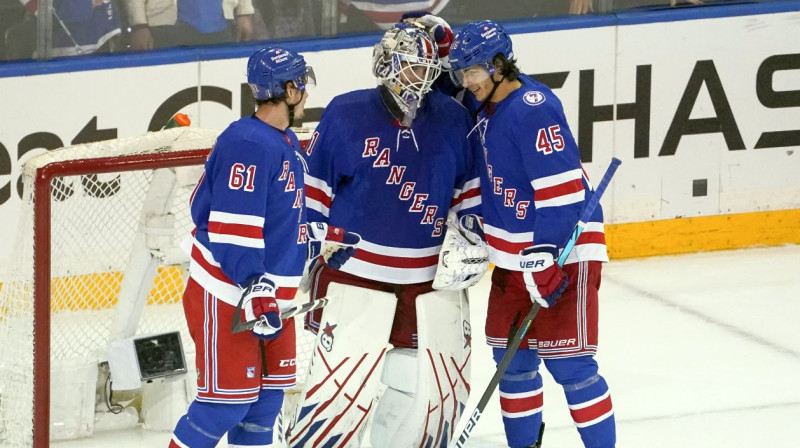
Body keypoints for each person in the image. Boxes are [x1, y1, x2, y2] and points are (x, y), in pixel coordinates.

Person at [287, 21, 481, 448]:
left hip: (425, 281)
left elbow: (469, 193)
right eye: (413, 67)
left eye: (428, 68)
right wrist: (306, 253)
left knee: (413, 384)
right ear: (387, 64)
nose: (422, 78)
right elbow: (313, 193)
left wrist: (470, 239)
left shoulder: (453, 118)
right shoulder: (345, 112)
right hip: (353, 272)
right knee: (342, 391)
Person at [169, 46, 358, 448]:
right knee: (223, 406)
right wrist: (255, 286)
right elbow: (230, 228)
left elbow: (280, 220)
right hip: (230, 295)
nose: (306, 95)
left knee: (263, 408)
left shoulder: (284, 140)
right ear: (289, 89)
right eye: (302, 86)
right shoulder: (248, 144)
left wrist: (319, 241)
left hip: (272, 299)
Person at [447, 20, 616, 448]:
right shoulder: (483, 107)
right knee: (512, 365)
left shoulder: (533, 107)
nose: (468, 82)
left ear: (500, 64)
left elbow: (561, 193)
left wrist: (544, 255)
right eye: (462, 73)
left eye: (475, 71)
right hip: (512, 261)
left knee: (572, 368)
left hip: (562, 254)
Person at [123, 0, 255, 51]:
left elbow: (244, 11)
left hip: (220, 25)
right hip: (168, 28)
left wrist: (244, 12)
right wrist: (139, 25)